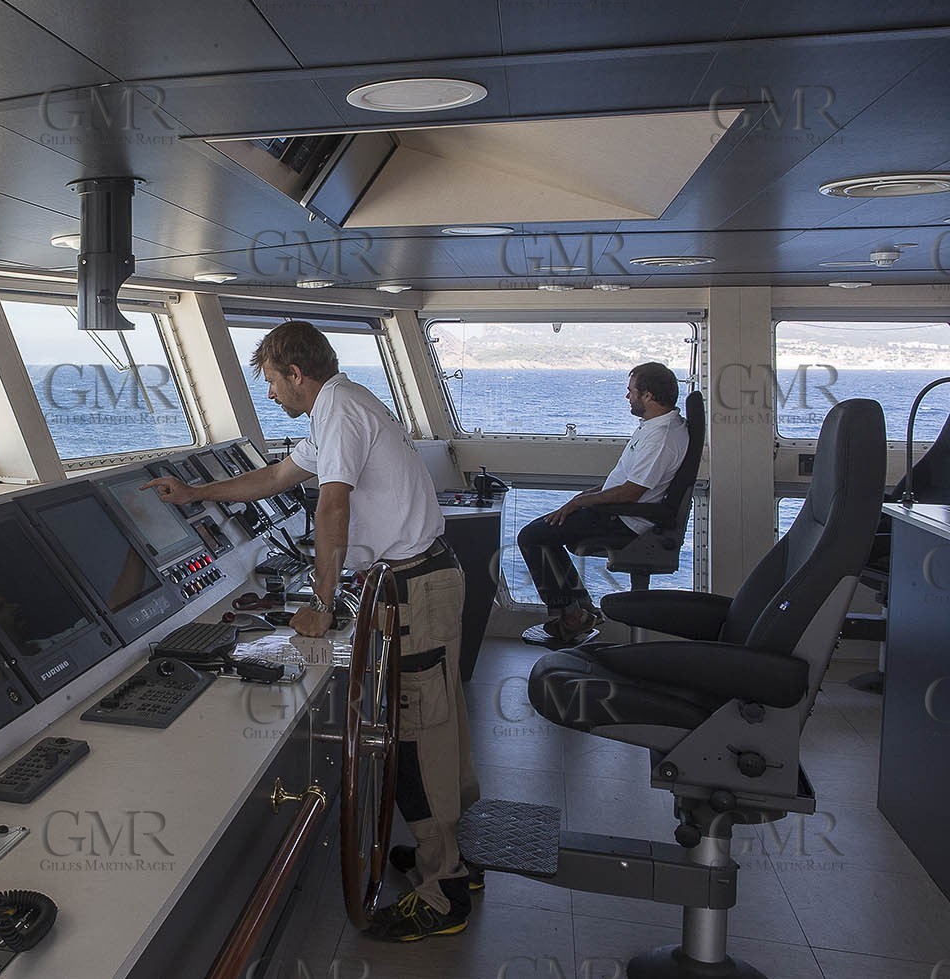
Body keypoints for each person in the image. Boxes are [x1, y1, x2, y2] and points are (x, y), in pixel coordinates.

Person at [142, 322, 480, 943]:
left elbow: (333, 507)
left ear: (295, 374)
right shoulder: (337, 411)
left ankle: (445, 888)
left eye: (270, 381)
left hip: (413, 587)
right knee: (429, 719)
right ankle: (449, 851)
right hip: (407, 582)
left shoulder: (340, 410)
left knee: (415, 735)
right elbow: (274, 479)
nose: (269, 394)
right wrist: (194, 492)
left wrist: (322, 603)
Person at [516, 362, 689, 646]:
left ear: (647, 395)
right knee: (545, 534)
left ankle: (574, 616)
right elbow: (628, 482)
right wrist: (590, 495)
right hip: (621, 510)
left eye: (631, 391)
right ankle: (581, 611)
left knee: (532, 536)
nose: (627, 397)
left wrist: (581, 502)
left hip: (625, 519)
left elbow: (632, 492)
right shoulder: (658, 426)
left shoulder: (662, 438)